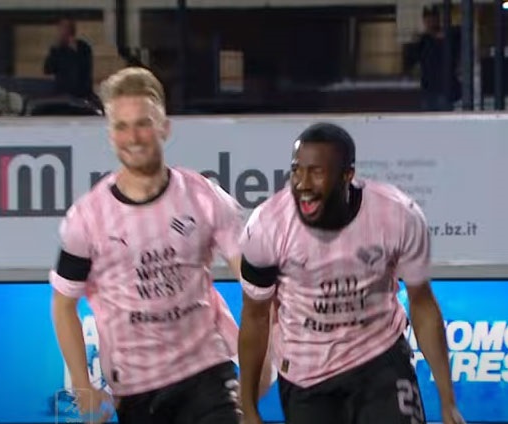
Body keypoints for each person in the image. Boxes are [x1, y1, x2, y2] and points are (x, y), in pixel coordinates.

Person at [49, 66, 272, 424]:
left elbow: (255, 285)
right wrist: (82, 386)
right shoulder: (87, 218)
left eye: (143, 124)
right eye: (121, 126)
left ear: (164, 127)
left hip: (207, 371)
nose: (133, 137)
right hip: (136, 389)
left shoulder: (204, 197)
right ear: (110, 134)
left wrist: (262, 365)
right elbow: (63, 306)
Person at [237, 122, 465, 424]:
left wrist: (448, 401)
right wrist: (248, 408)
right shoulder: (266, 226)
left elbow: (422, 304)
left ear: (347, 175)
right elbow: (255, 317)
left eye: (316, 172)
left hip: (380, 360)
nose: (302, 183)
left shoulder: (398, 215)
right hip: (306, 376)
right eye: (296, 170)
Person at [43, 18, 95, 101]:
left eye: (63, 28)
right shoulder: (57, 50)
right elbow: (47, 70)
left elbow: (84, 68)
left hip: (82, 94)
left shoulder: (83, 47)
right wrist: (54, 51)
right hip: (62, 94)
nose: (60, 32)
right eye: (59, 29)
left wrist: (72, 49)